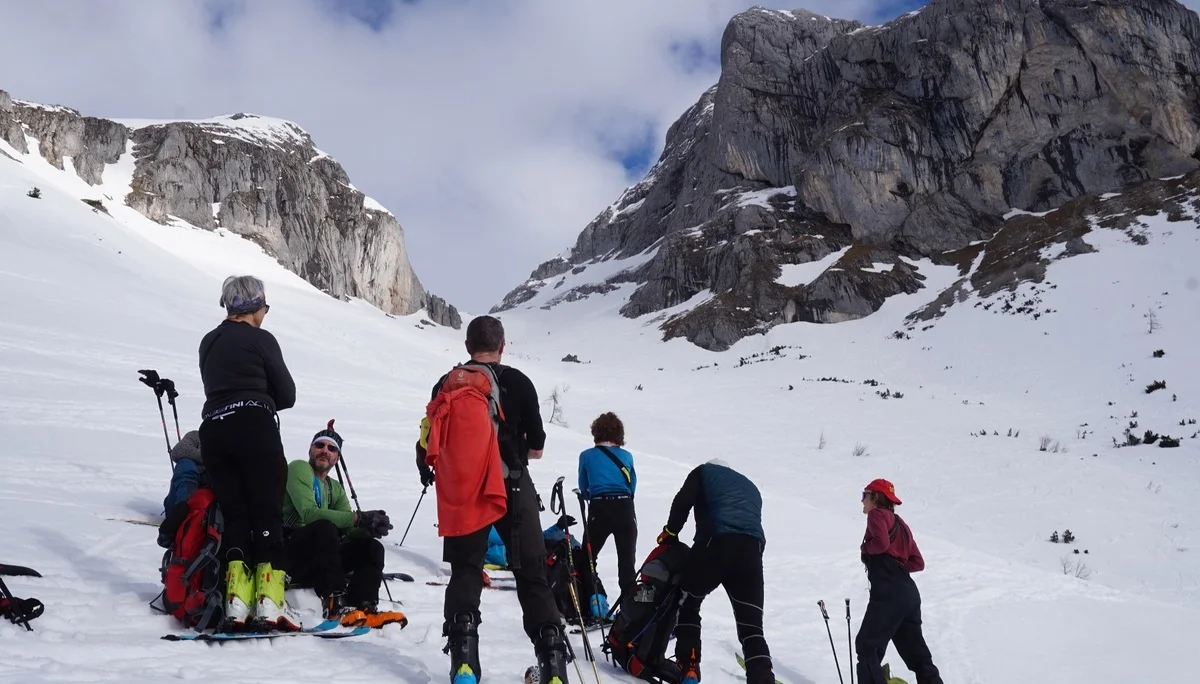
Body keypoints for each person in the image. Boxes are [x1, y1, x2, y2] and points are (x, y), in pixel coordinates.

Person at [420, 315, 569, 684]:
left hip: (466, 490)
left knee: (466, 572)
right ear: (502, 346)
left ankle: (464, 666)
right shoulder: (519, 381)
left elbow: (428, 439)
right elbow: (537, 448)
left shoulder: (447, 383)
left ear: (467, 347)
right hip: (513, 485)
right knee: (532, 576)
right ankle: (553, 668)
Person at [198, 275, 298, 632]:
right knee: (266, 513)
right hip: (254, 425)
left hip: (214, 430)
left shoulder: (209, 341)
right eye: (264, 306)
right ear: (255, 307)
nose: (265, 312)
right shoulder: (261, 339)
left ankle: (236, 604)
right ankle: (269, 602)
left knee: (236, 516)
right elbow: (287, 395)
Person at [657, 458, 774, 684]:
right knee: (752, 628)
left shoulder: (704, 472)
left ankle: (689, 669)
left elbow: (683, 501)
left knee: (688, 603)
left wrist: (670, 532)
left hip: (715, 544)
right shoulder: (751, 487)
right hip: (751, 552)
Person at [281, 420, 406, 629]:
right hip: (291, 554)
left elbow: (348, 529)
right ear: (310, 449)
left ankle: (364, 605)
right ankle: (335, 604)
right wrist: (357, 518)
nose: (325, 451)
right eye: (319, 445)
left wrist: (367, 528)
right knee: (324, 527)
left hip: (321, 560)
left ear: (337, 457)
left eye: (332, 449)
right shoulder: (299, 468)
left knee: (372, 547)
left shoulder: (335, 488)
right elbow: (309, 514)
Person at [856, 479, 943, 684]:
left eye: (864, 495)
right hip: (909, 595)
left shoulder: (877, 514)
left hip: (888, 593)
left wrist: (865, 548)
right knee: (917, 654)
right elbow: (918, 562)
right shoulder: (901, 524)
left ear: (876, 497)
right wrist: (898, 566)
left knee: (867, 646)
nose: (862, 501)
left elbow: (881, 544)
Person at [577, 412, 638, 598]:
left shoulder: (586, 456)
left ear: (596, 432)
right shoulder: (627, 456)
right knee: (627, 564)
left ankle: (593, 600)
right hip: (625, 508)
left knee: (587, 559)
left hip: (600, 508)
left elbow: (584, 487)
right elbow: (632, 486)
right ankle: (629, 607)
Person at [163, 429, 204, 513]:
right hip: (178, 505)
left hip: (211, 506)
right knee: (185, 463)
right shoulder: (197, 435)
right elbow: (179, 451)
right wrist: (210, 459)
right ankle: (183, 510)